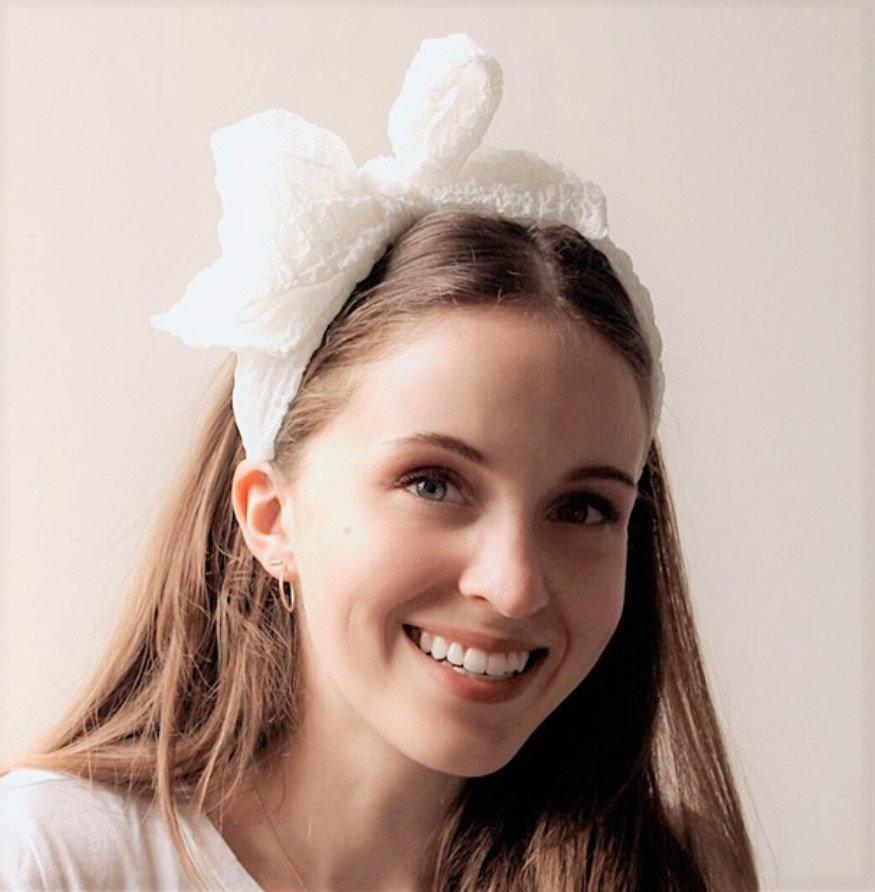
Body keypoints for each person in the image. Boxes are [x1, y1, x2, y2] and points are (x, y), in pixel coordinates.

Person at [0, 33, 759, 892]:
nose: (513, 586)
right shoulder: (54, 858)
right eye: (433, 483)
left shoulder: (673, 871)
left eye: (583, 507)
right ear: (270, 517)